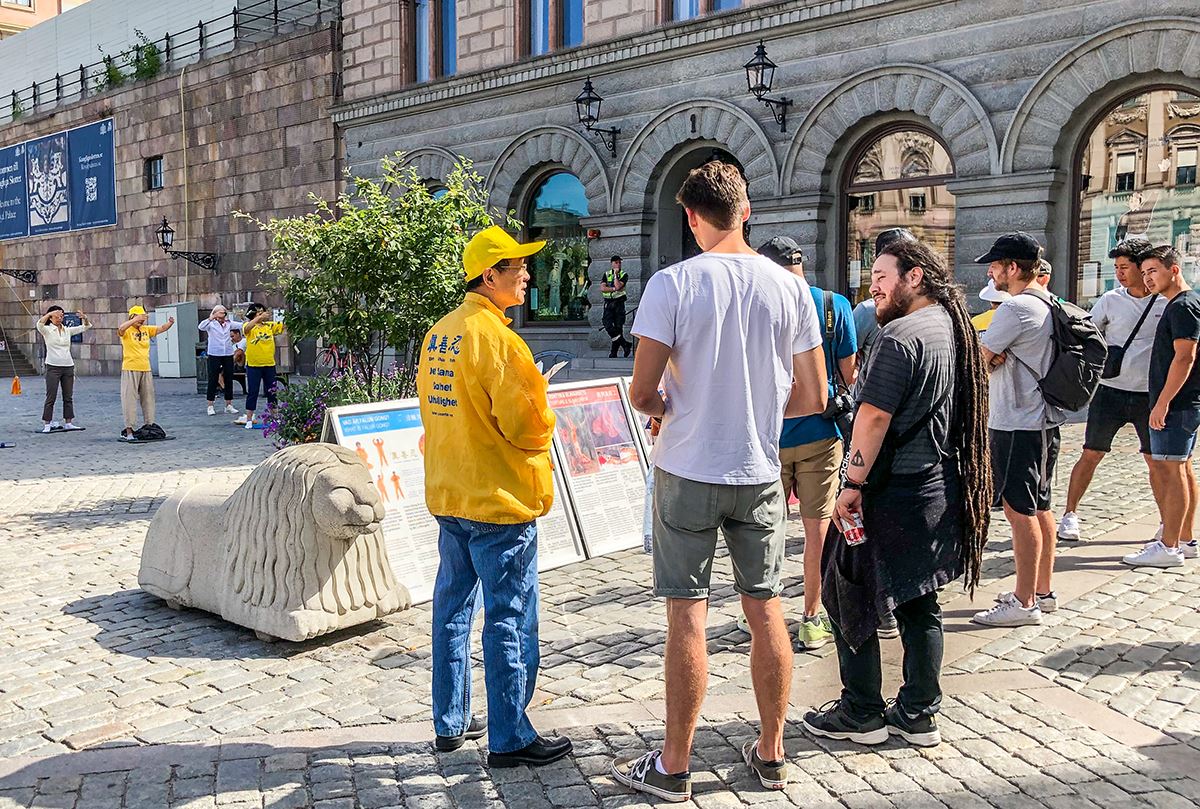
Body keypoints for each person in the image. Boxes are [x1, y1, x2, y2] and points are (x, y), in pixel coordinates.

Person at [612, 161, 826, 802]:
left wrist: (676, 409)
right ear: (748, 211)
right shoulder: (790, 288)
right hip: (759, 470)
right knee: (766, 610)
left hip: (687, 468)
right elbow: (812, 394)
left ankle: (673, 764)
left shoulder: (672, 284)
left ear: (691, 218)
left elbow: (643, 393)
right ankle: (772, 751)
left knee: (688, 618)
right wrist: (754, 410)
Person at [802, 237, 990, 748]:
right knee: (916, 600)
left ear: (915, 276)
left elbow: (874, 416)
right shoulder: (951, 326)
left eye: (883, 276)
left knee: (847, 592)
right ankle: (918, 712)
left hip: (889, 489)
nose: (873, 286)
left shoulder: (900, 335)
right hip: (933, 483)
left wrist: (851, 483)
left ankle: (861, 712)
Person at [417, 225, 572, 768]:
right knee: (509, 615)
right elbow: (529, 428)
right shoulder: (502, 342)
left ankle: (450, 721)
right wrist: (544, 398)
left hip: (451, 492)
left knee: (452, 609)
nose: (527, 275)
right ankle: (509, 735)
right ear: (490, 275)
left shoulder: (440, 332)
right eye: (518, 268)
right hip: (497, 499)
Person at [756, 235, 856, 651]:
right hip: (822, 435)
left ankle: (767, 617)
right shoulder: (834, 305)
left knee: (765, 531)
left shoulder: (759, 306)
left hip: (769, 436)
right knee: (817, 533)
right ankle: (813, 618)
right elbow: (851, 375)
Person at [972, 233, 1062, 627]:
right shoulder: (1046, 300)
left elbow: (978, 361)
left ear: (1012, 268)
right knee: (1040, 506)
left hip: (1016, 421)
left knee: (1018, 510)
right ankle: (1041, 589)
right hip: (1041, 420)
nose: (991, 272)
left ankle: (1023, 603)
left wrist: (988, 353)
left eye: (995, 265)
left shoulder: (1016, 309)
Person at [1058, 239, 1165, 542]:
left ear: (1141, 268)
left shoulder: (1164, 302)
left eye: (1124, 267)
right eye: (1116, 268)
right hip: (1110, 391)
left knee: (1154, 460)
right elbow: (1090, 335)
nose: (1119, 273)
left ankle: (1164, 520)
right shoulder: (1110, 299)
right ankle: (1069, 515)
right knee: (1091, 453)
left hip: (1148, 395)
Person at [1124, 245, 1200, 567]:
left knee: (1171, 472)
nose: (1147, 278)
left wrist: (1162, 403)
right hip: (1181, 404)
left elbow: (1185, 357)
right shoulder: (1181, 303)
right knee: (1181, 468)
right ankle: (1184, 539)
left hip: (1177, 404)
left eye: (1153, 271)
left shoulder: (1183, 306)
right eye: (1144, 273)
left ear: (1174, 269)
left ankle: (1168, 547)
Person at [117, 305, 174, 441]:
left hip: (145, 368)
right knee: (129, 399)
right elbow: (120, 329)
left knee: (148, 398)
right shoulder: (127, 330)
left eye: (143, 319)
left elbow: (160, 329)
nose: (142, 322)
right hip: (130, 367)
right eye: (139, 319)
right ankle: (129, 430)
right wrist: (134, 320)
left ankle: (149, 426)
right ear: (132, 317)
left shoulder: (145, 330)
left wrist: (170, 323)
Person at [36, 305, 90, 432]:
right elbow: (39, 324)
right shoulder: (48, 330)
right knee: (51, 396)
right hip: (53, 366)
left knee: (68, 396)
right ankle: (47, 424)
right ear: (51, 317)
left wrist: (85, 318)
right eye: (57, 316)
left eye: (61, 316)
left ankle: (68, 422)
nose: (60, 318)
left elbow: (85, 327)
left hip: (67, 366)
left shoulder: (67, 330)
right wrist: (49, 314)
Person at [237, 304, 284, 429]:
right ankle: (249, 419)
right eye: (259, 313)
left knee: (272, 392)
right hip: (254, 365)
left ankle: (275, 417)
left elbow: (283, 326)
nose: (263, 315)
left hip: (269, 364)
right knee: (253, 391)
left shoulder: (269, 326)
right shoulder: (249, 327)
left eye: (263, 312)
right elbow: (247, 328)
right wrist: (257, 318)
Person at [198, 305, 243, 417]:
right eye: (221, 313)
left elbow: (242, 326)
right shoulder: (211, 324)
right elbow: (201, 327)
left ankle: (228, 404)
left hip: (227, 353)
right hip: (214, 353)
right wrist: (211, 317)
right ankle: (210, 405)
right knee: (213, 378)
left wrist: (244, 318)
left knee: (228, 378)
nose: (223, 315)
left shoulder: (229, 323)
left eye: (224, 313)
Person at [601, 255, 633, 358]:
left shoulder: (624, 275)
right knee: (607, 325)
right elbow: (602, 288)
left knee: (618, 327)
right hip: (608, 303)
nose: (618, 264)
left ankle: (613, 352)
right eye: (616, 262)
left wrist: (615, 276)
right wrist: (614, 289)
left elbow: (619, 286)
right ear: (612, 263)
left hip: (619, 303)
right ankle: (625, 344)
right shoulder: (606, 274)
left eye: (619, 262)